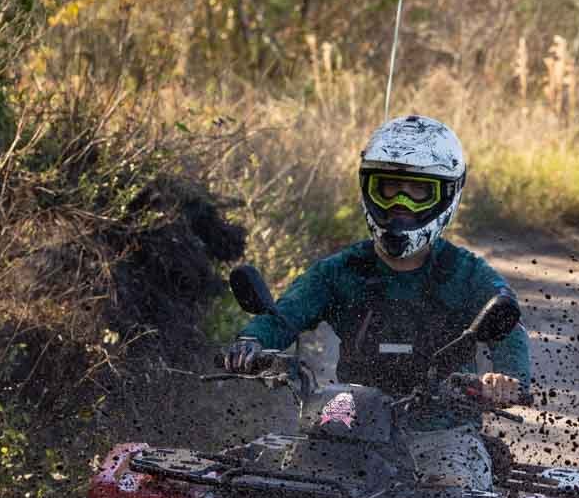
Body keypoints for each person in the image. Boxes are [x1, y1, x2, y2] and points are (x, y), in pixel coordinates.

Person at [222, 115, 530, 420]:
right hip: (348, 418)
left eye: (417, 192)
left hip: (443, 429)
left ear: (448, 194)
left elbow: (507, 327)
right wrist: (252, 341)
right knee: (276, 463)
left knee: (455, 473)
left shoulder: (467, 274)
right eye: (389, 189)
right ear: (368, 188)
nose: (401, 204)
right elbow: (286, 314)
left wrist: (506, 379)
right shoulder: (341, 270)